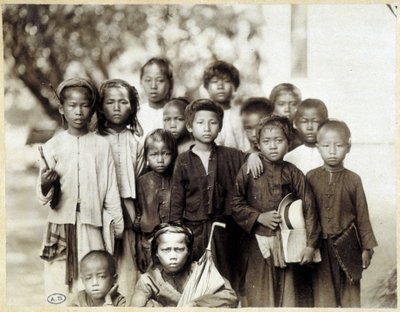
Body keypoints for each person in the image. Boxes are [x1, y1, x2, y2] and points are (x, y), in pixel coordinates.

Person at [37, 78, 124, 304]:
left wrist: (118, 228)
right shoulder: (52, 146)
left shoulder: (101, 145)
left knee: (92, 284)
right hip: (60, 225)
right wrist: (46, 184)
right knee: (58, 284)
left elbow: (110, 190)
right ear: (61, 109)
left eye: (84, 105)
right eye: (72, 106)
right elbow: (42, 194)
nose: (78, 111)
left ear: (92, 109)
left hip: (91, 226)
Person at [169, 98, 263, 297]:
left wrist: (253, 155)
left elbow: (247, 157)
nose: (206, 128)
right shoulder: (184, 160)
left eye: (212, 123)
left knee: (226, 278)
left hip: (225, 230)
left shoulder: (230, 154)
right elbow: (177, 198)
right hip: (195, 230)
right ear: (189, 126)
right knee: (198, 280)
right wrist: (175, 230)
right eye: (200, 123)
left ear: (220, 127)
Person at [232, 115, 320, 307]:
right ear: (258, 144)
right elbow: (235, 202)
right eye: (266, 141)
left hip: (290, 242)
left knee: (289, 295)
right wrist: (258, 217)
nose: (273, 146)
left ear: (288, 143)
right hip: (258, 242)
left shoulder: (293, 172)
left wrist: (311, 245)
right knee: (261, 293)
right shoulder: (250, 168)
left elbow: (310, 206)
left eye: (279, 141)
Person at [307, 120, 378, 307]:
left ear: (348, 147)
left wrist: (366, 248)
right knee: (323, 298)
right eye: (326, 146)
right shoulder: (310, 177)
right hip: (320, 248)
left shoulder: (354, 180)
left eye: (338, 145)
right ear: (317, 147)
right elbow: (306, 214)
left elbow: (363, 216)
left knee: (350, 297)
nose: (332, 151)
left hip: (349, 246)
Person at [96, 78, 145, 300]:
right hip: (99, 210)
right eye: (110, 102)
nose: (116, 107)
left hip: (128, 210)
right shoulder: (94, 139)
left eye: (123, 102)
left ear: (132, 107)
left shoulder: (136, 142)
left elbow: (140, 179)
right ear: (100, 106)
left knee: (127, 265)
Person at [130, 222, 238, 307]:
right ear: (156, 253)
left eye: (179, 249)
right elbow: (135, 309)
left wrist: (196, 304)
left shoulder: (200, 272)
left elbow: (230, 296)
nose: (173, 256)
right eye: (166, 250)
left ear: (189, 251)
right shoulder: (148, 280)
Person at [135, 129, 178, 273]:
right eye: (154, 155)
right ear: (146, 156)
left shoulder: (178, 179)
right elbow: (138, 214)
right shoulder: (142, 182)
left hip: (175, 239)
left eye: (166, 154)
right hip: (149, 241)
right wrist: (140, 248)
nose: (160, 160)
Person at [203, 60, 249, 151]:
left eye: (226, 81)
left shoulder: (241, 114)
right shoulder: (202, 115)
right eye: (215, 82)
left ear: (235, 86)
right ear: (207, 87)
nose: (220, 86)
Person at [284, 98, 328, 174]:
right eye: (304, 121)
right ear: (296, 124)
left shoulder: (331, 155)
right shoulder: (289, 158)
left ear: (326, 124)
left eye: (315, 121)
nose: (309, 127)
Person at [137, 57, 174, 138]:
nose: (153, 86)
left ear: (169, 83)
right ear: (141, 82)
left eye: (160, 80)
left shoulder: (176, 113)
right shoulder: (135, 114)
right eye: (148, 80)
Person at [269, 83, 303, 150]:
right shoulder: (266, 134)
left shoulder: (301, 137)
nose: (287, 109)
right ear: (273, 107)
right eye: (281, 104)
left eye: (292, 104)